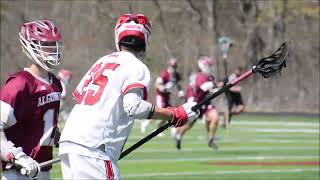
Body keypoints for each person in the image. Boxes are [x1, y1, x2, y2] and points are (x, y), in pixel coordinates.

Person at [59, 13, 198, 180]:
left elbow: (81, 98)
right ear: (145, 39)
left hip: (70, 142)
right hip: (95, 148)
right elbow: (133, 106)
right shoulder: (135, 65)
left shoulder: (102, 61)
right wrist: (174, 114)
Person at [0, 20, 63, 180]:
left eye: (54, 45)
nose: (52, 50)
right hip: (19, 172)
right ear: (31, 46)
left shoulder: (55, 84)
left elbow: (40, 127)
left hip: (43, 170)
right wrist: (17, 156)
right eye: (46, 45)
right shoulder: (19, 84)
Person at [175, 56, 220, 150]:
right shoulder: (199, 76)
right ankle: (179, 135)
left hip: (206, 102)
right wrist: (216, 85)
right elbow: (203, 87)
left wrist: (219, 88)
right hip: (197, 103)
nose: (210, 67)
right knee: (189, 124)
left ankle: (211, 139)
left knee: (215, 118)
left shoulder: (210, 77)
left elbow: (213, 90)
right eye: (208, 65)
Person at [140, 58, 184, 136]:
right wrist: (162, 87)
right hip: (161, 96)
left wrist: (180, 91)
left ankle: (157, 130)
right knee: (161, 112)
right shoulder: (164, 74)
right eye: (172, 66)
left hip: (167, 96)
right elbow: (156, 85)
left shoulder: (176, 75)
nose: (173, 68)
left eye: (174, 67)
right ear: (169, 66)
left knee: (169, 114)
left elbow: (178, 83)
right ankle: (145, 123)